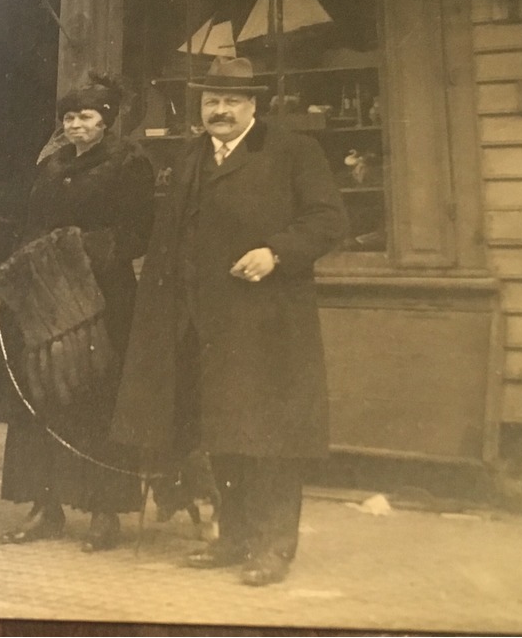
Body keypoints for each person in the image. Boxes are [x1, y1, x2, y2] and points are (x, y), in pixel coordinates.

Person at [109, 56, 346, 587]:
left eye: (232, 102)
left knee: (273, 439)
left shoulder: (292, 152)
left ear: (253, 106)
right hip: (203, 325)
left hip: (266, 323)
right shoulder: (193, 154)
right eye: (211, 101)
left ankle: (273, 548)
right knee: (224, 434)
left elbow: (329, 220)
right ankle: (234, 538)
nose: (220, 111)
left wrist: (277, 253)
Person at [0, 76, 155, 553]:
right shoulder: (52, 167)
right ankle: (45, 508)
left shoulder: (130, 164)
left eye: (87, 117)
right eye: (70, 118)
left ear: (107, 120)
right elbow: (31, 230)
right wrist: (4, 290)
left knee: (96, 399)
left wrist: (80, 249)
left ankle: (104, 514)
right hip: (42, 300)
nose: (76, 125)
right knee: (41, 400)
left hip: (102, 298)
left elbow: (139, 231)